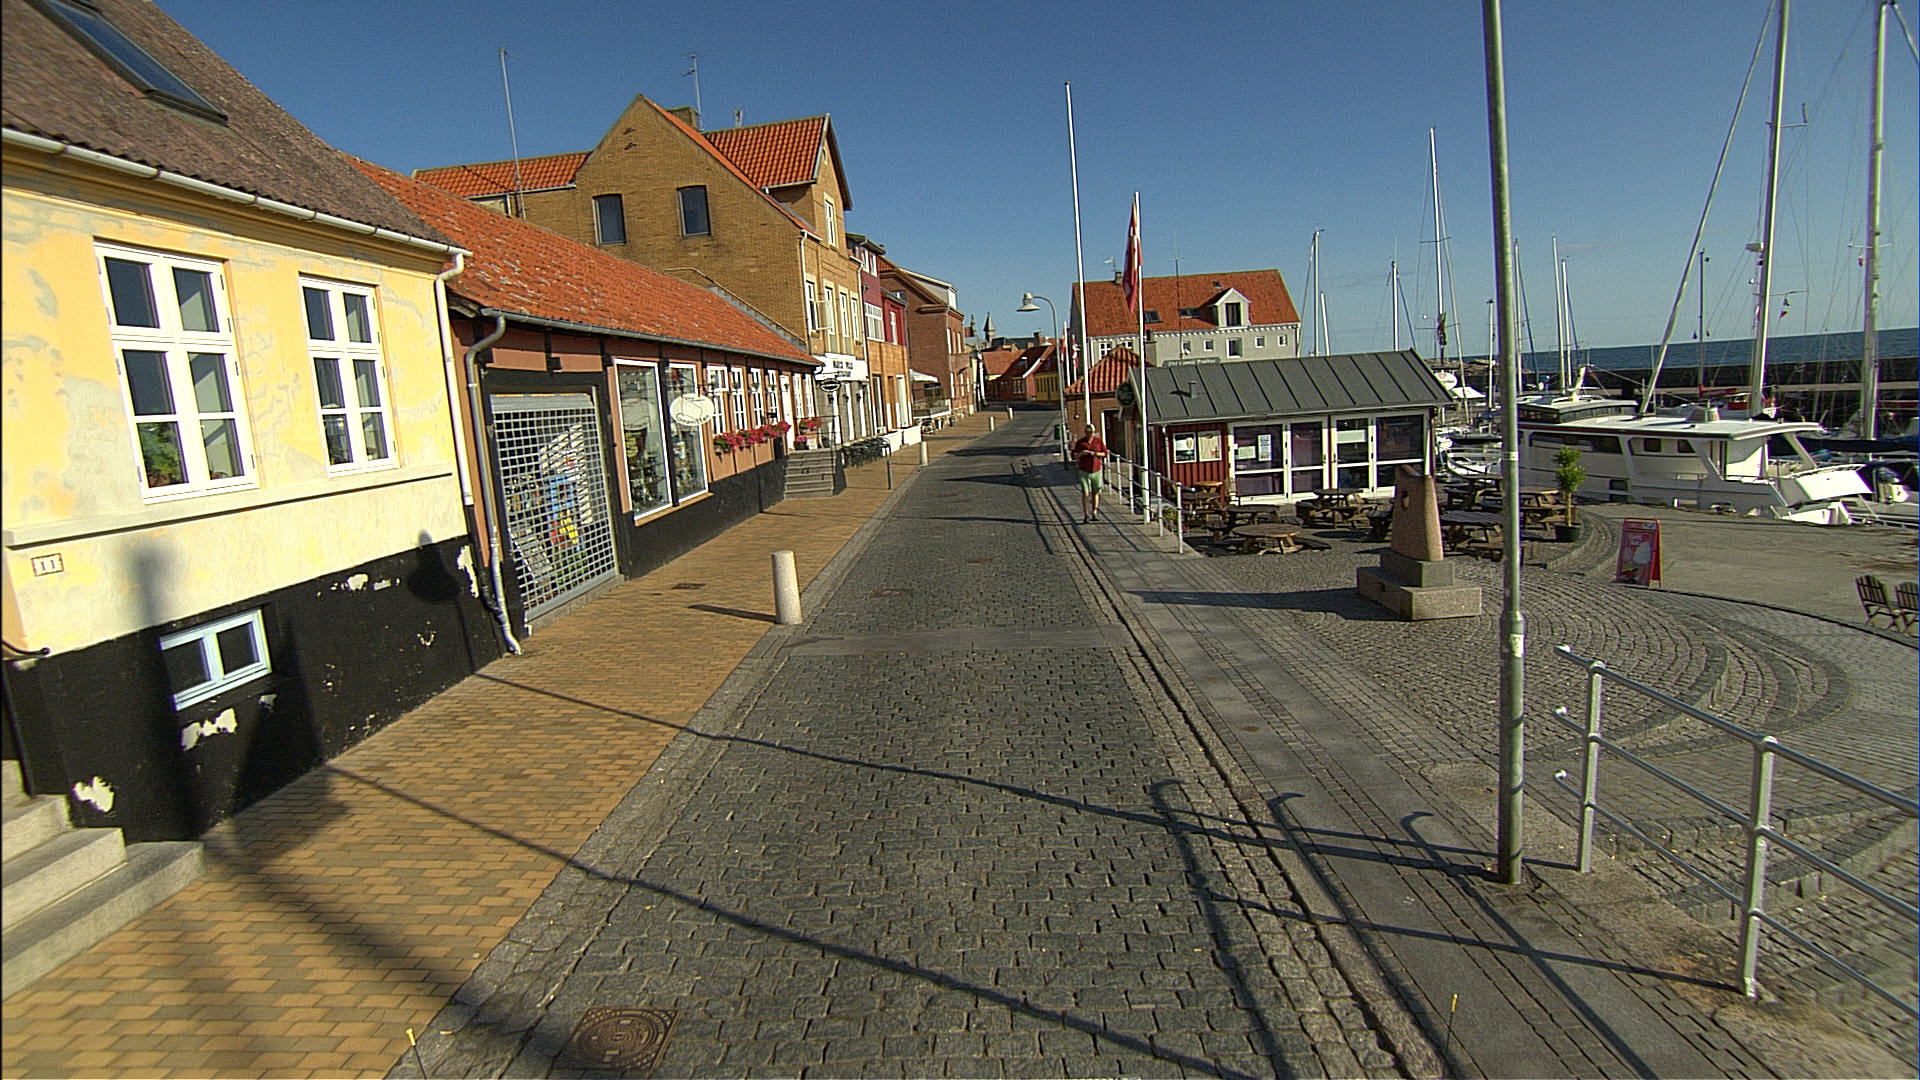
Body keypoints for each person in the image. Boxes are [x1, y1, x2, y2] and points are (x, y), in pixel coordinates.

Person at [1070, 423, 1108, 522]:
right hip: (1084, 470)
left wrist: (1095, 454)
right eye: (1087, 432)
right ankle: (1086, 514)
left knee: (1096, 492)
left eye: (1091, 432)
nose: (1090, 434)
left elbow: (1105, 453)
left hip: (1096, 470)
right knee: (1085, 493)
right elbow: (1074, 456)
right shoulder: (1080, 442)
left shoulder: (1098, 441)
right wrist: (1082, 453)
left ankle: (1094, 512)